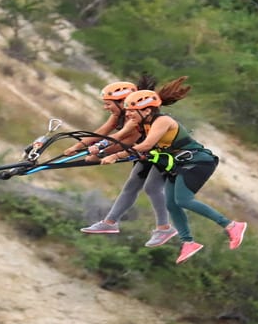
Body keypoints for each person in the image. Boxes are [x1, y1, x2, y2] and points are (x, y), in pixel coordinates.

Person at [100, 89, 246, 264]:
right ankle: (188, 242)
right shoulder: (143, 124)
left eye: (132, 110)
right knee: (171, 203)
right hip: (177, 164)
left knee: (184, 200)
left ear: (147, 110)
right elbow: (144, 147)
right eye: (127, 110)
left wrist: (116, 156)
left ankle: (231, 225)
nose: (128, 114)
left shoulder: (162, 121)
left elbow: (146, 145)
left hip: (198, 162)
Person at [63, 77, 179, 247]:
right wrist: (78, 146)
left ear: (122, 102)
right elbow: (102, 133)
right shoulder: (121, 116)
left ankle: (164, 228)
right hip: (146, 153)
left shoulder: (134, 119)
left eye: (108, 103)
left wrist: (101, 153)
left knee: (151, 188)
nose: (105, 107)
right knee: (132, 187)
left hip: (162, 155)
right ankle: (110, 223)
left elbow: (125, 142)